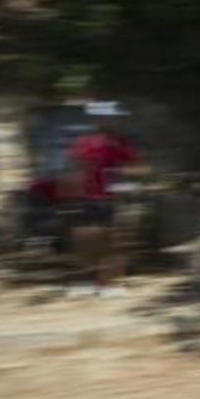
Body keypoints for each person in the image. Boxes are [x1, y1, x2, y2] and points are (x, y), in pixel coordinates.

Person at [64, 123, 140, 297]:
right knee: (107, 241)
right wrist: (125, 185)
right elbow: (134, 166)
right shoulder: (116, 144)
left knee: (92, 240)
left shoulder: (83, 143)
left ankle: (96, 282)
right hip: (106, 199)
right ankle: (106, 283)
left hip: (90, 199)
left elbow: (73, 164)